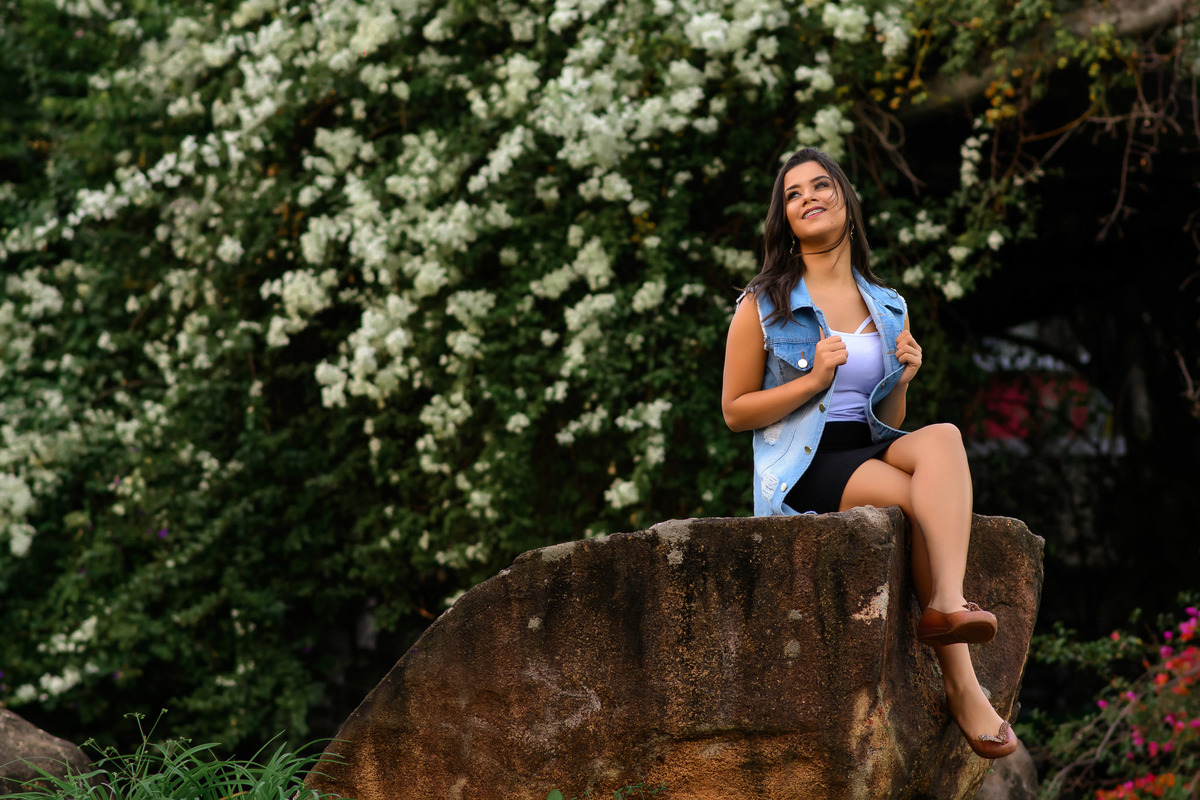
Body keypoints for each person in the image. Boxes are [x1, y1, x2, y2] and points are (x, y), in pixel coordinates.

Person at [720, 147, 1019, 760]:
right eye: (793, 194)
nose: (808, 198)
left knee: (944, 438)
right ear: (786, 219)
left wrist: (904, 379)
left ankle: (944, 603)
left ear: (846, 202)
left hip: (867, 447)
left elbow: (886, 421)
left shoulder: (888, 306)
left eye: (820, 186)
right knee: (915, 502)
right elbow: (734, 410)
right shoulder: (764, 305)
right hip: (807, 464)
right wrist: (810, 381)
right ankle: (962, 680)